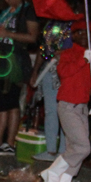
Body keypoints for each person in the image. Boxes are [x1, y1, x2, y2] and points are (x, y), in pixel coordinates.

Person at [40, 19, 91, 182]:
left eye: (88, 34)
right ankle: (51, 173)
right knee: (83, 147)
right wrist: (83, 59)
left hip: (83, 108)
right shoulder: (68, 54)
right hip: (67, 105)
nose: (84, 36)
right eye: (80, 33)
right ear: (74, 36)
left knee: (73, 150)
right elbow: (64, 72)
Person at [0, 0, 39, 155]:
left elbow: (33, 37)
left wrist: (7, 34)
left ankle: (9, 142)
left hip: (16, 60)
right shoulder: (5, 13)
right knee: (1, 100)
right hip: (0, 59)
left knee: (11, 100)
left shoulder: (27, 10)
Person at [29, 17, 73, 161]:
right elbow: (43, 50)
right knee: (50, 110)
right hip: (49, 69)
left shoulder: (74, 24)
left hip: (68, 69)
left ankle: (63, 151)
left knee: (65, 110)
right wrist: (35, 72)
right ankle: (51, 150)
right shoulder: (49, 25)